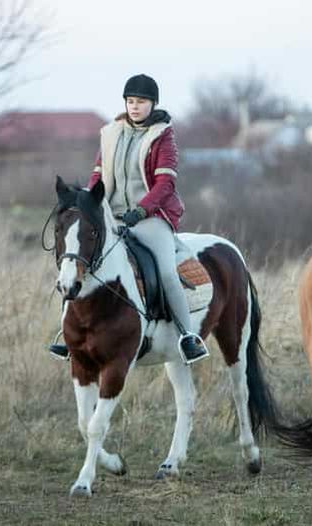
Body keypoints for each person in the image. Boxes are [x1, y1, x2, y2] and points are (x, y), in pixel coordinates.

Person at [50, 74, 209, 364]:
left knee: (164, 270)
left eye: (142, 102)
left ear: (153, 104)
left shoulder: (164, 137)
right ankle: (66, 334)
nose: (135, 107)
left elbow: (165, 186)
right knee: (79, 261)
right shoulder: (110, 133)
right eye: (131, 101)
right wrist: (89, 201)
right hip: (112, 214)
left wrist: (142, 209)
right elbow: (99, 174)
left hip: (151, 216)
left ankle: (187, 336)